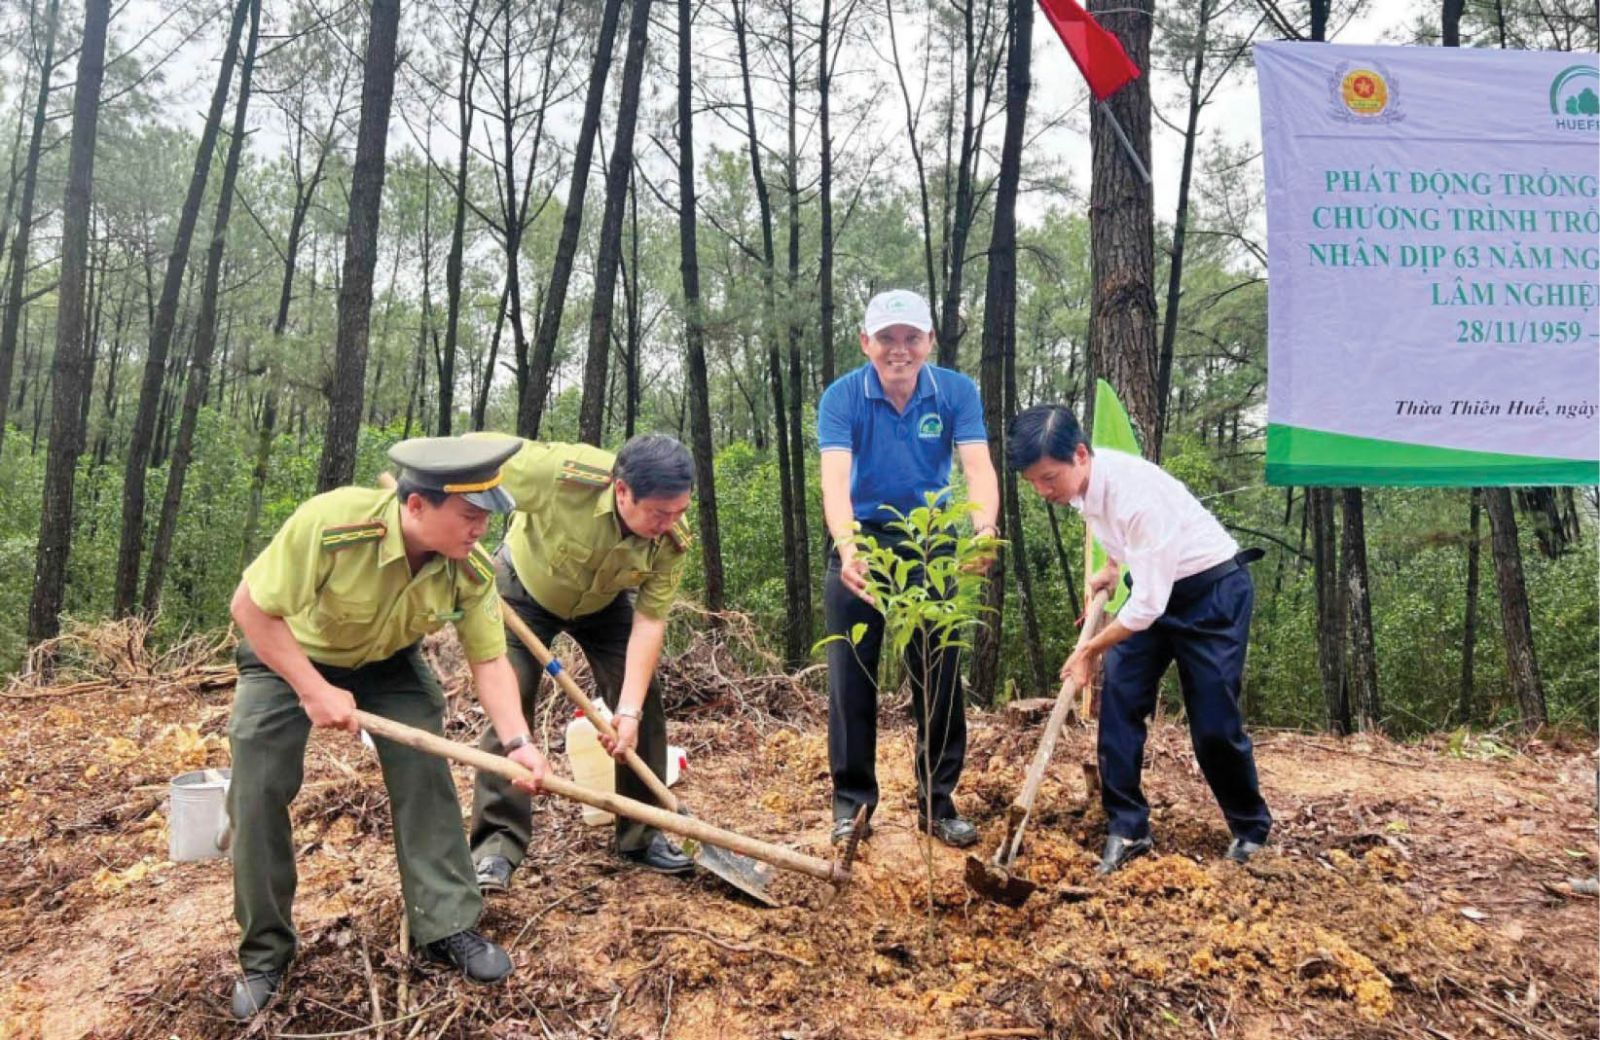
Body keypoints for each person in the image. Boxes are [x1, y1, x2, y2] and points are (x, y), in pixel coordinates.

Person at [226, 437, 551, 1021]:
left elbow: (489, 660)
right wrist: (312, 688)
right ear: (417, 505)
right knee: (257, 788)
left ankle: (446, 923)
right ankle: (264, 955)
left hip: (389, 663)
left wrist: (519, 743)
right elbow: (250, 609)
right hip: (287, 656)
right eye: (469, 514)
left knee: (425, 774)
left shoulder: (470, 568)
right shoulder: (333, 525)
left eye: (487, 515)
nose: (481, 529)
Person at [1006, 403, 1271, 874]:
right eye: (1033, 482)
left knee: (1213, 721)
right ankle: (1128, 828)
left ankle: (1251, 829)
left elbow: (1147, 607)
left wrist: (1089, 650)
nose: (1044, 491)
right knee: (1120, 702)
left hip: (1211, 595)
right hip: (1155, 590)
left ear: (1080, 455)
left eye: (1048, 478)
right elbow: (1115, 534)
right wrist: (1111, 567)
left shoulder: (1137, 497)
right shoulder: (1084, 484)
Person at [467, 433, 696, 891]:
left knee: (643, 701)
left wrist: (627, 711)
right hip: (523, 589)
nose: (670, 522)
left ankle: (642, 833)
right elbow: (472, 456)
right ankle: (496, 847)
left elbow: (650, 622)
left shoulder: (672, 539)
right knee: (511, 698)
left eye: (680, 511)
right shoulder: (561, 474)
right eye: (659, 513)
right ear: (622, 490)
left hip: (603, 605)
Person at [817, 289, 1001, 849]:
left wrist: (983, 530)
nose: (899, 349)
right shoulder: (842, 397)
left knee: (939, 673)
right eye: (887, 338)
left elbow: (978, 468)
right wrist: (849, 549)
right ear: (865, 342)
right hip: (862, 540)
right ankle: (852, 807)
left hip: (930, 542)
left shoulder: (956, 391)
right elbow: (834, 480)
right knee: (851, 674)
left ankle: (937, 802)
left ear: (930, 340)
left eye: (911, 337)